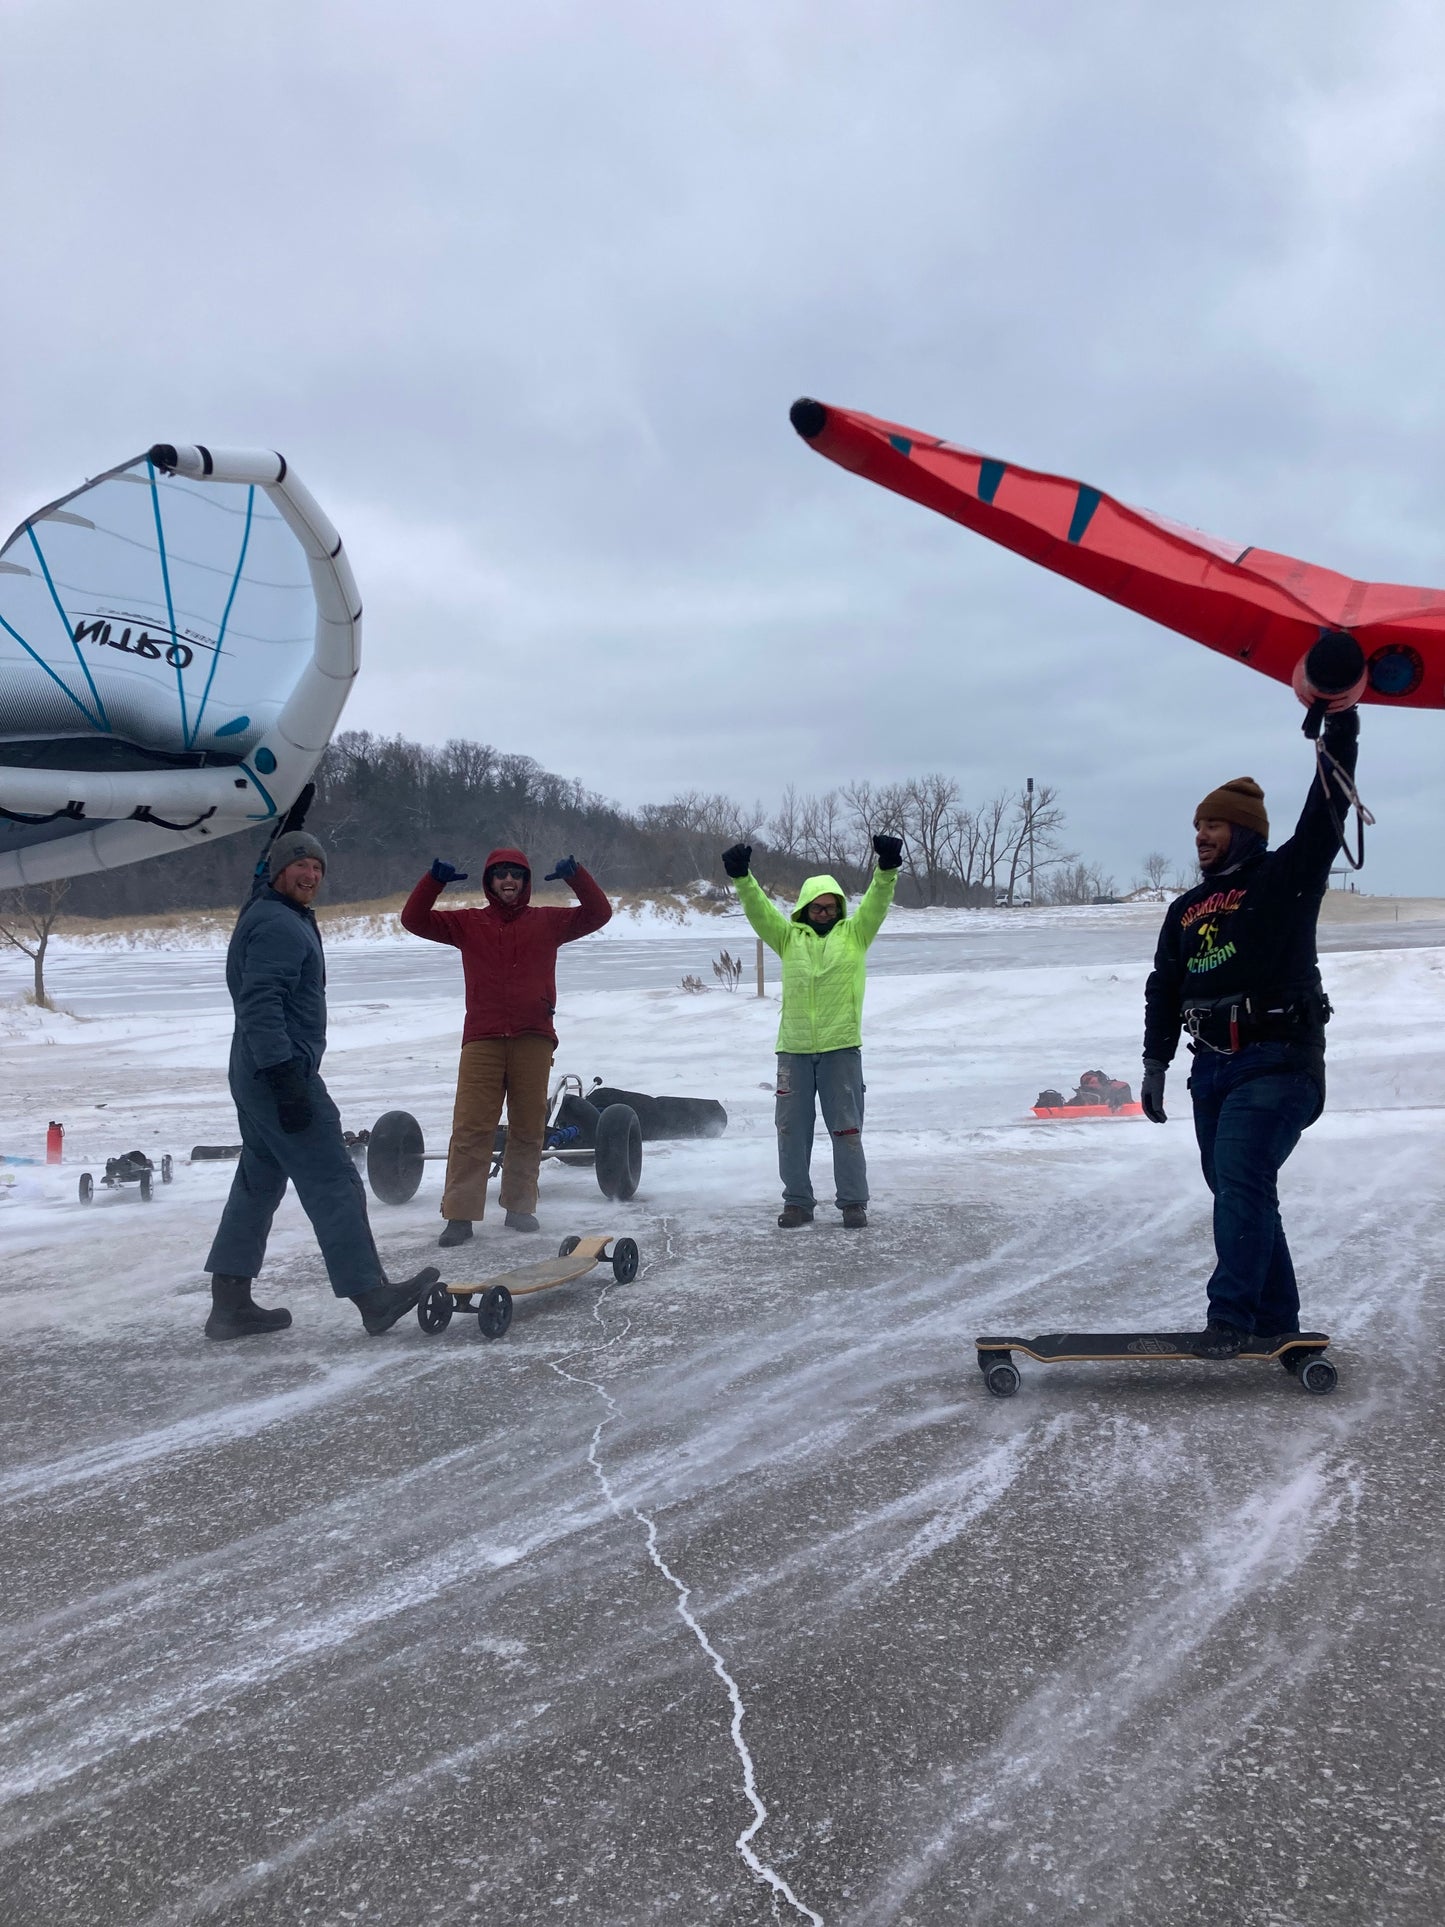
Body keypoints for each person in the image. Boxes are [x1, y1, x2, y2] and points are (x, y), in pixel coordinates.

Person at [1141, 704, 1361, 1355]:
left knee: (1239, 1173)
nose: (1200, 835)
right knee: (1240, 1186)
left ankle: (1231, 1315)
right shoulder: (1183, 908)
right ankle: (1276, 1322)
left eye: (1212, 824)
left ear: (1241, 830)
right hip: (1209, 1068)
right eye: (1196, 825)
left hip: (1277, 1061)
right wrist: (1154, 1064)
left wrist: (1340, 730)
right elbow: (1164, 987)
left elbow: (1325, 817)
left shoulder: (1281, 880)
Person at [204, 805, 439, 1340]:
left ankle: (230, 1303)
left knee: (258, 1182)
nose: (310, 876)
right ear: (277, 871)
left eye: (318, 868)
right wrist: (286, 1077)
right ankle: (371, 1295)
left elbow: (261, 877)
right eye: (300, 865)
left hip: (253, 1067)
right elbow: (260, 1002)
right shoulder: (278, 926)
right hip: (277, 1066)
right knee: (333, 1178)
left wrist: (284, 824)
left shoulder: (264, 909)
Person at [401, 848, 612, 1245]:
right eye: (500, 875)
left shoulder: (548, 921)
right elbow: (412, 920)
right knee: (471, 1126)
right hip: (482, 1038)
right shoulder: (468, 923)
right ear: (489, 881)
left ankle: (519, 1206)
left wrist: (577, 877)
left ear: (526, 880)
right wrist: (434, 882)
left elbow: (599, 914)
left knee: (529, 1126)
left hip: (533, 1036)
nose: (508, 880)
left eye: (515, 874)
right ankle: (460, 1215)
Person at [724, 835, 902, 1229]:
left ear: (839, 907)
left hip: (841, 1051)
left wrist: (887, 867)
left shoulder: (855, 934)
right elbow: (759, 911)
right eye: (816, 907)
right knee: (791, 1132)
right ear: (804, 909)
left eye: (830, 906)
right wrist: (742, 878)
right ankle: (798, 1203)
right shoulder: (788, 938)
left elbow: (877, 900)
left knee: (847, 1130)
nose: (823, 912)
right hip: (795, 1052)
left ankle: (853, 1203)